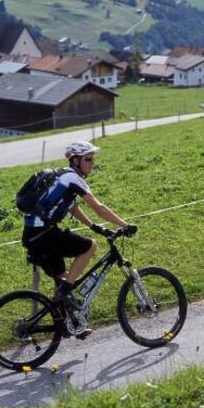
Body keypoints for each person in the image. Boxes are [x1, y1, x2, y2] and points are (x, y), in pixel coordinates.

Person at [21, 140, 137, 334]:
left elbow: (71, 207)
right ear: (75, 161)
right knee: (89, 247)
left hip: (34, 236)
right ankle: (67, 290)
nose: (92, 163)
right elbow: (98, 207)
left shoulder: (62, 178)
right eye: (88, 159)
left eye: (92, 159)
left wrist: (93, 226)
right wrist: (125, 225)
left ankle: (67, 325)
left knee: (62, 279)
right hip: (44, 235)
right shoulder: (72, 179)